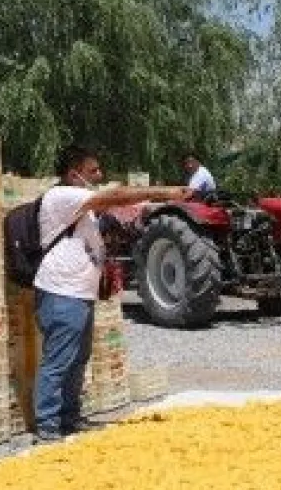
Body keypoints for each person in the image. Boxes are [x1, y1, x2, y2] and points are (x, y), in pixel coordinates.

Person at [33, 146, 186, 442]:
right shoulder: (62, 195)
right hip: (61, 292)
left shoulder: (82, 206)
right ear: (73, 173)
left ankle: (69, 417)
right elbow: (116, 196)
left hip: (79, 292)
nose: (99, 175)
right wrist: (165, 192)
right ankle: (47, 423)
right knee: (60, 359)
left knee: (78, 358)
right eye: (92, 171)